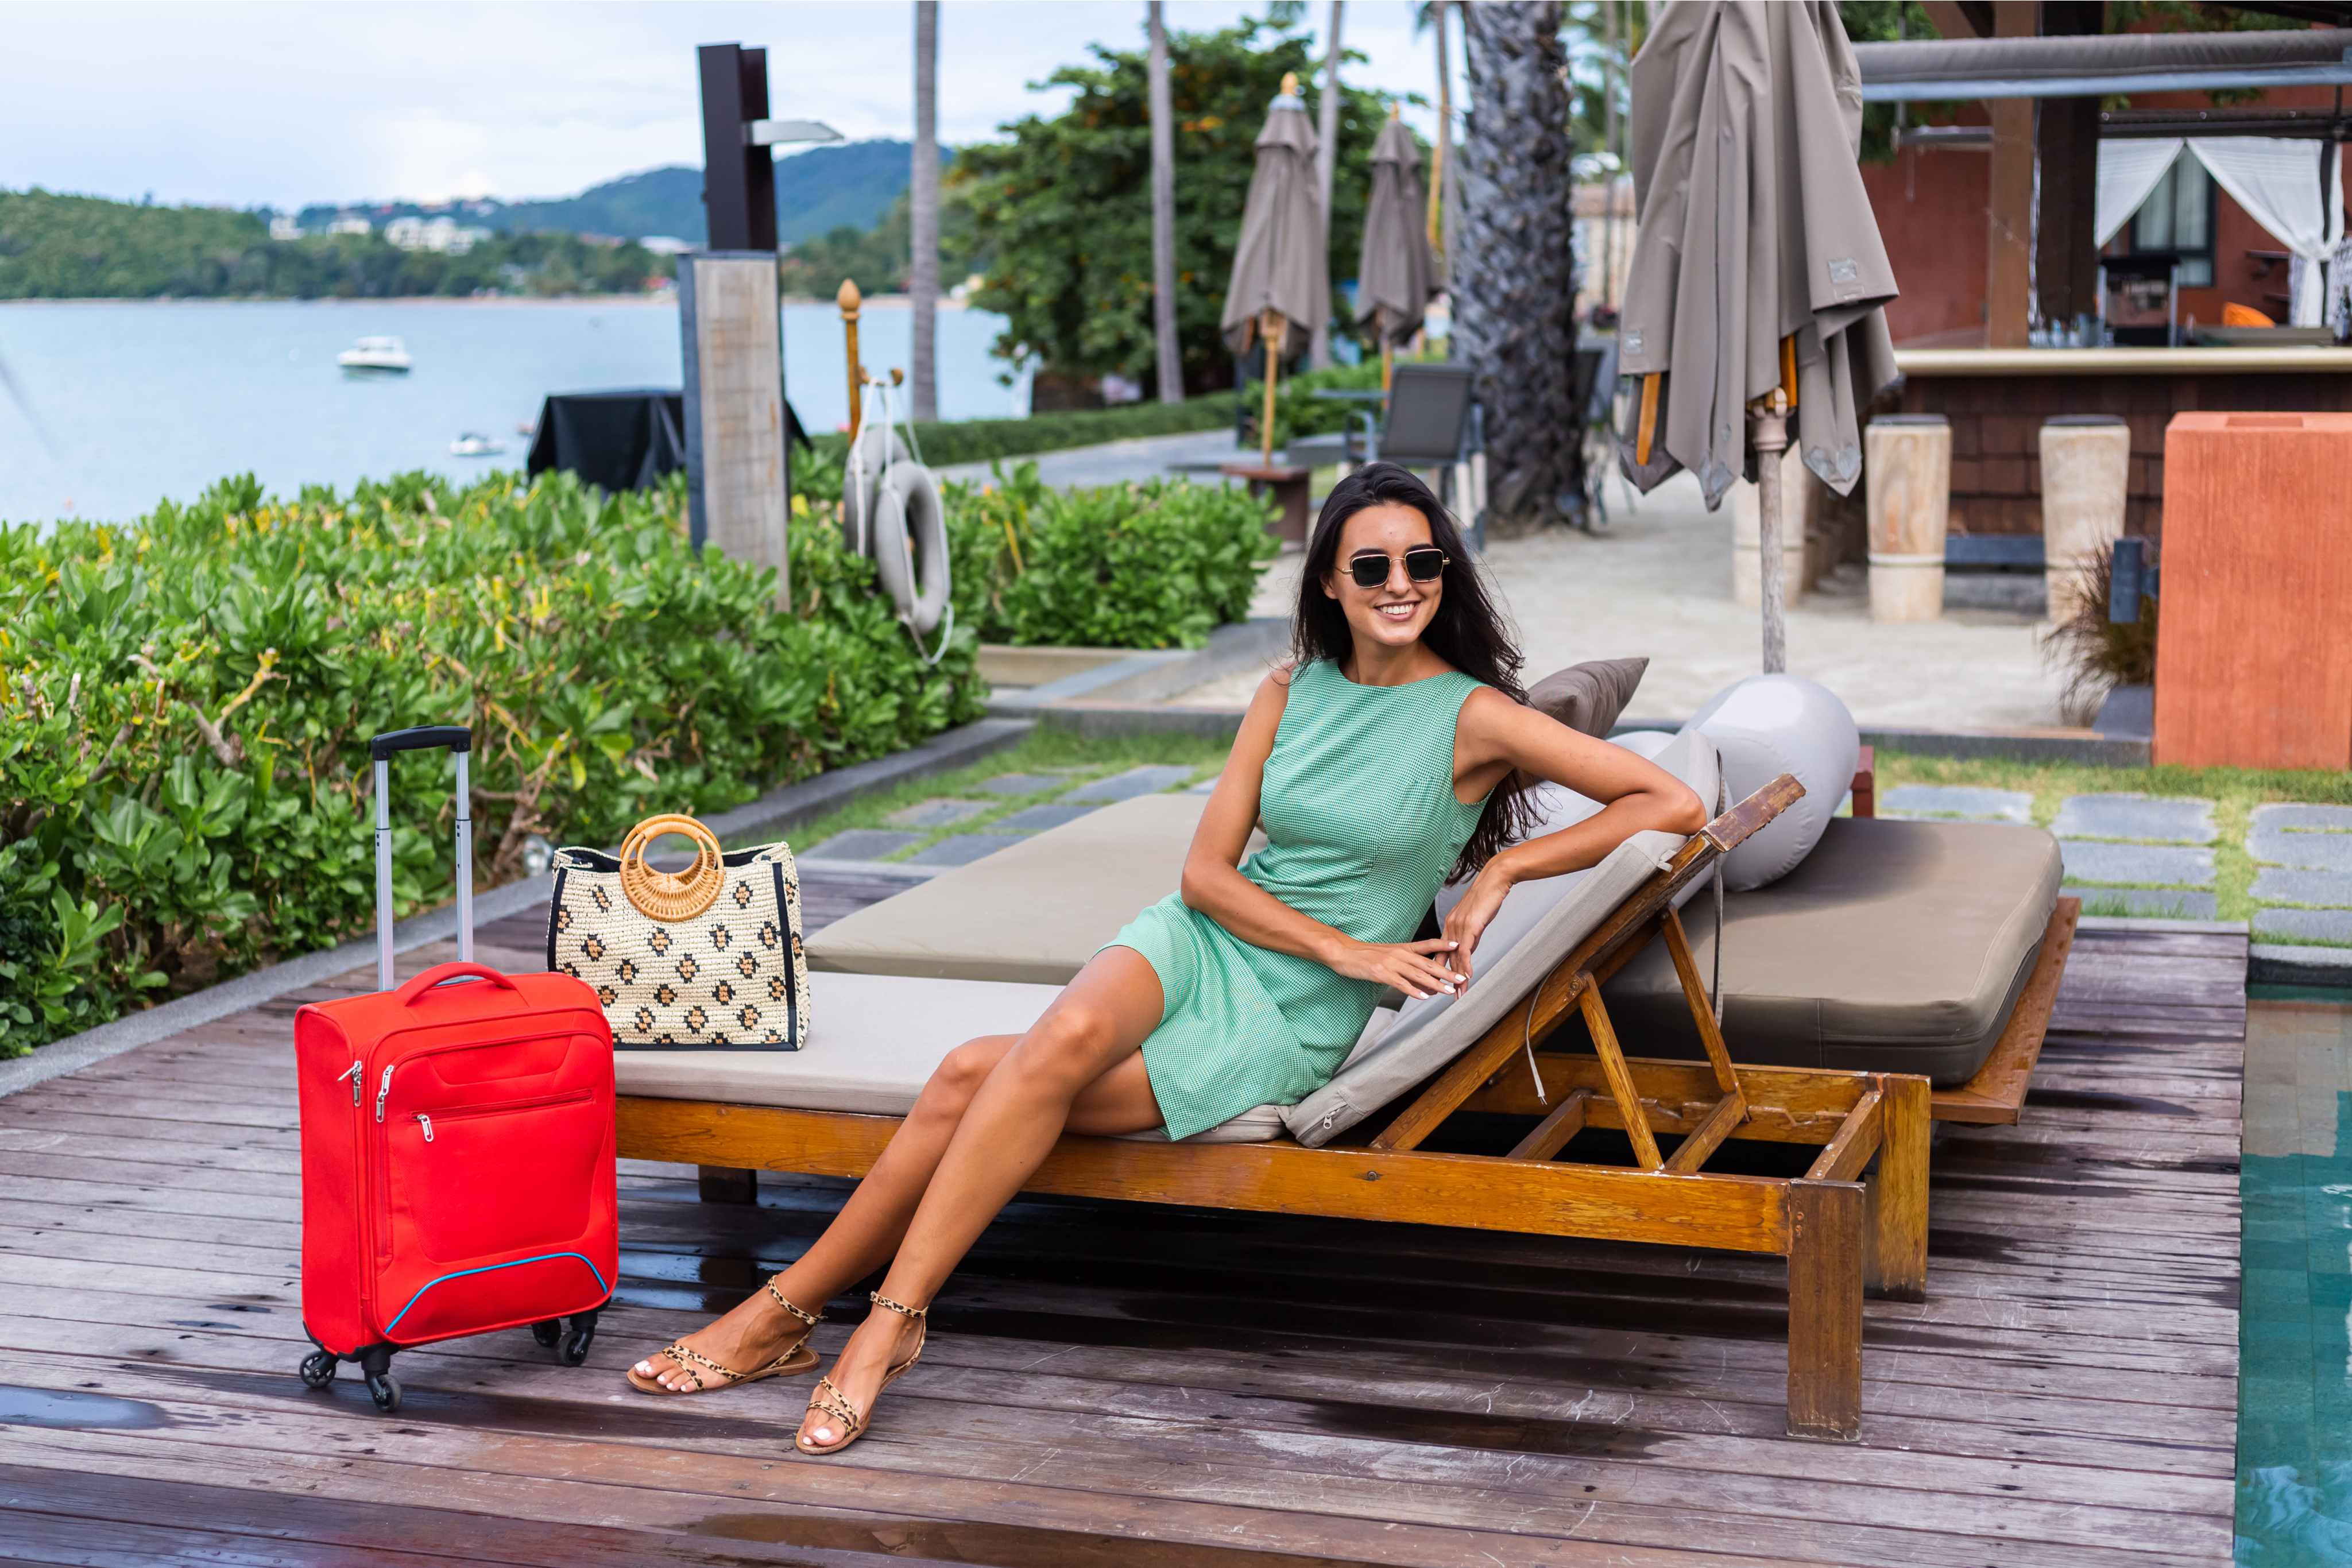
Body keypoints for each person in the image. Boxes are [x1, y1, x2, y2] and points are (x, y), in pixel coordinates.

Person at [627, 462, 1707, 1454]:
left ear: (1445, 573)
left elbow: (1671, 799)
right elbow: (1205, 875)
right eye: (1371, 564)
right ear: (1330, 581)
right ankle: (870, 1325)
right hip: (1201, 938)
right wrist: (1347, 943)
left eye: (1423, 562)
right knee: (1057, 1040)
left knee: (969, 1076)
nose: (1401, 583)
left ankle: (812, 1318)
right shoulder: (1289, 690)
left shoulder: (1473, 715)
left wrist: (1503, 874)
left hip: (1293, 1015)